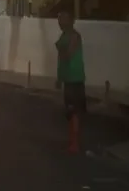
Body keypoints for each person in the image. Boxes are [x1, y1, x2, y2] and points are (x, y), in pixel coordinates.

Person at [55, 11, 86, 153]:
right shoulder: (64, 36)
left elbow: (67, 55)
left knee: (74, 111)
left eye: (63, 19)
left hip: (75, 78)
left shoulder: (74, 36)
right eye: (59, 19)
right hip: (68, 79)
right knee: (69, 111)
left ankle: (75, 143)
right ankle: (72, 141)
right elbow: (61, 58)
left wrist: (61, 49)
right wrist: (59, 78)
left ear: (71, 21)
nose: (60, 22)